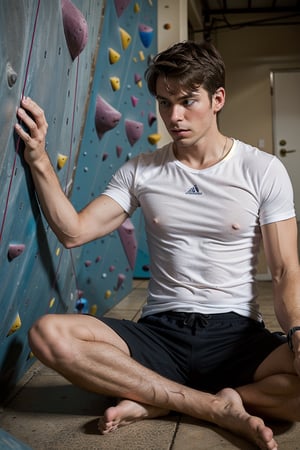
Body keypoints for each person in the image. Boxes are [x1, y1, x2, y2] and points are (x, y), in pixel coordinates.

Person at [15, 40, 300, 450]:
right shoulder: (142, 171)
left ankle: (159, 398)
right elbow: (74, 231)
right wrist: (39, 158)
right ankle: (211, 404)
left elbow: (285, 271)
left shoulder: (262, 169)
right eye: (165, 103)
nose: (174, 116)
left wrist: (296, 331)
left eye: (188, 101)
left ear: (218, 98)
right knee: (48, 335)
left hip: (235, 333)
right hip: (160, 332)